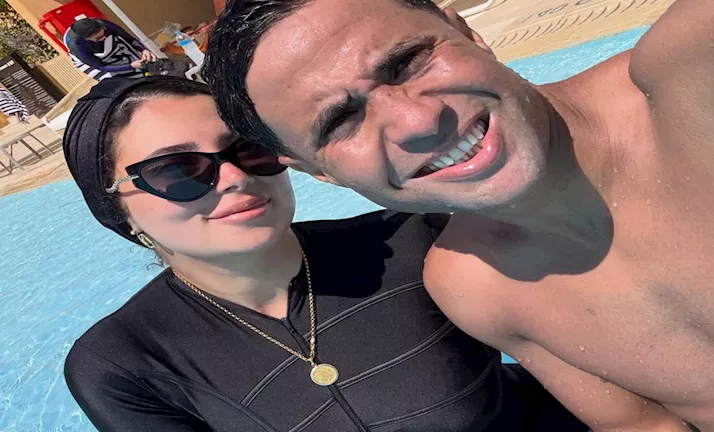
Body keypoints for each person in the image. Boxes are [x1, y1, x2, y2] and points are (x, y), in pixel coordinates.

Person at [202, 0, 714, 430]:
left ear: (469, 33)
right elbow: (642, 425)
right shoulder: (475, 286)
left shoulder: (711, 73)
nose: (418, 123)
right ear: (316, 171)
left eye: (408, 62)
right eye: (340, 120)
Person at [62, 76, 587, 431]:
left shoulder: (414, 240)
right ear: (118, 211)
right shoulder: (124, 363)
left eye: (249, 148)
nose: (235, 177)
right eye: (177, 170)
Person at [64, 17, 156, 81]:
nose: (104, 37)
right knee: (117, 80)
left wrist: (143, 50)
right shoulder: (76, 45)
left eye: (104, 33)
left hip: (112, 45)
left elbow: (129, 38)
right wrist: (131, 66)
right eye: (99, 38)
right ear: (86, 38)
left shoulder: (103, 24)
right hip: (91, 57)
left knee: (140, 65)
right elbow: (102, 67)